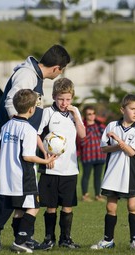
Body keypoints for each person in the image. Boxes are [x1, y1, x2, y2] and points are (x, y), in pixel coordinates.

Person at [0, 44, 70, 250]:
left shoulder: (34, 76)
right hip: (15, 144)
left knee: (22, 194)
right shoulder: (26, 75)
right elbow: (11, 103)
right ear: (57, 68)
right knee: (14, 191)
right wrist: (21, 130)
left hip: (25, 142)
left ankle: (22, 238)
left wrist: (38, 141)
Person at [0, 89, 57, 253]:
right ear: (32, 109)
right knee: (34, 207)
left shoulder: (6, 126)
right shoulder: (28, 130)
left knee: (19, 209)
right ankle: (20, 241)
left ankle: (20, 241)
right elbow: (28, 156)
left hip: (8, 177)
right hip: (23, 176)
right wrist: (45, 160)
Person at [90, 94, 135, 251]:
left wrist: (118, 140)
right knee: (111, 208)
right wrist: (116, 144)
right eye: (132, 109)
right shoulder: (112, 125)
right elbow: (104, 148)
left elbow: (132, 152)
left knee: (132, 206)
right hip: (113, 171)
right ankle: (108, 240)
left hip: (130, 172)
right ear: (122, 109)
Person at [37, 77, 86, 249]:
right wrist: (45, 156)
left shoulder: (75, 112)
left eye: (67, 99)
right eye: (60, 99)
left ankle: (66, 239)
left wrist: (76, 116)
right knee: (51, 207)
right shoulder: (47, 112)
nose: (64, 103)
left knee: (67, 206)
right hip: (51, 168)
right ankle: (49, 239)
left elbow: (82, 135)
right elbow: (36, 135)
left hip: (70, 168)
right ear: (53, 97)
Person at [78, 105, 107, 202]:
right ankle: (85, 195)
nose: (91, 116)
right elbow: (81, 141)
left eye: (93, 113)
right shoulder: (82, 127)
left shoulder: (100, 126)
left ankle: (98, 195)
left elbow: (106, 140)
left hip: (99, 155)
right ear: (85, 115)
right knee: (86, 176)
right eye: (89, 114)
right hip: (87, 156)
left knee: (98, 177)